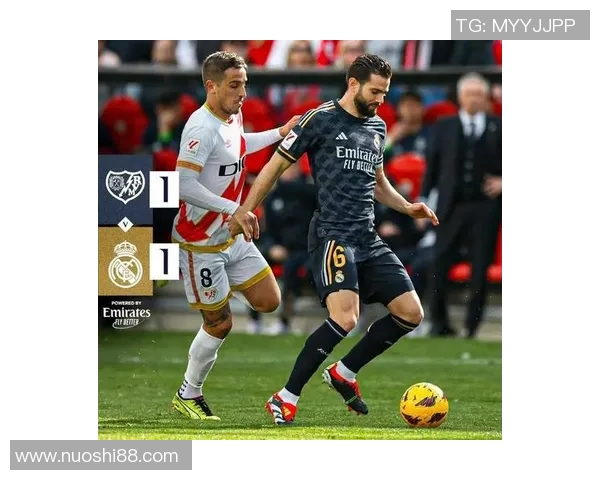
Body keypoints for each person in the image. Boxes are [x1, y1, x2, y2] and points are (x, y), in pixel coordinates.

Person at [228, 54, 439, 425]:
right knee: (345, 317)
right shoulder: (319, 119)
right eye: (376, 91)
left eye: (385, 93)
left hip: (367, 236)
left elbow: (377, 182)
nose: (381, 100)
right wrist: (245, 210)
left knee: (411, 313)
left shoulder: (377, 126)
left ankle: (344, 372)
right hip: (332, 234)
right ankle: (285, 396)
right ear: (353, 84)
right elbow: (274, 168)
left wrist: (407, 207)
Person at [170, 51, 300, 421]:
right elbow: (182, 184)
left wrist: (279, 133)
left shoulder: (231, 115)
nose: (242, 93)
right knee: (220, 323)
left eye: (244, 84)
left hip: (231, 235)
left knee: (269, 300)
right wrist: (235, 209)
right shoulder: (200, 128)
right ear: (211, 86)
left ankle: (214, 292)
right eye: (234, 85)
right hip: (200, 243)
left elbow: (237, 144)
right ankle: (188, 393)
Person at [418, 72, 501, 338]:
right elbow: (432, 168)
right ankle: (439, 322)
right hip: (450, 207)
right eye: (469, 94)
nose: (474, 99)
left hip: (485, 208)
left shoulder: (499, 126)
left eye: (479, 94)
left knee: (480, 268)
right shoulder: (444, 126)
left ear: (486, 98)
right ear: (460, 97)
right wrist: (423, 200)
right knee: (438, 263)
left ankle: (471, 326)